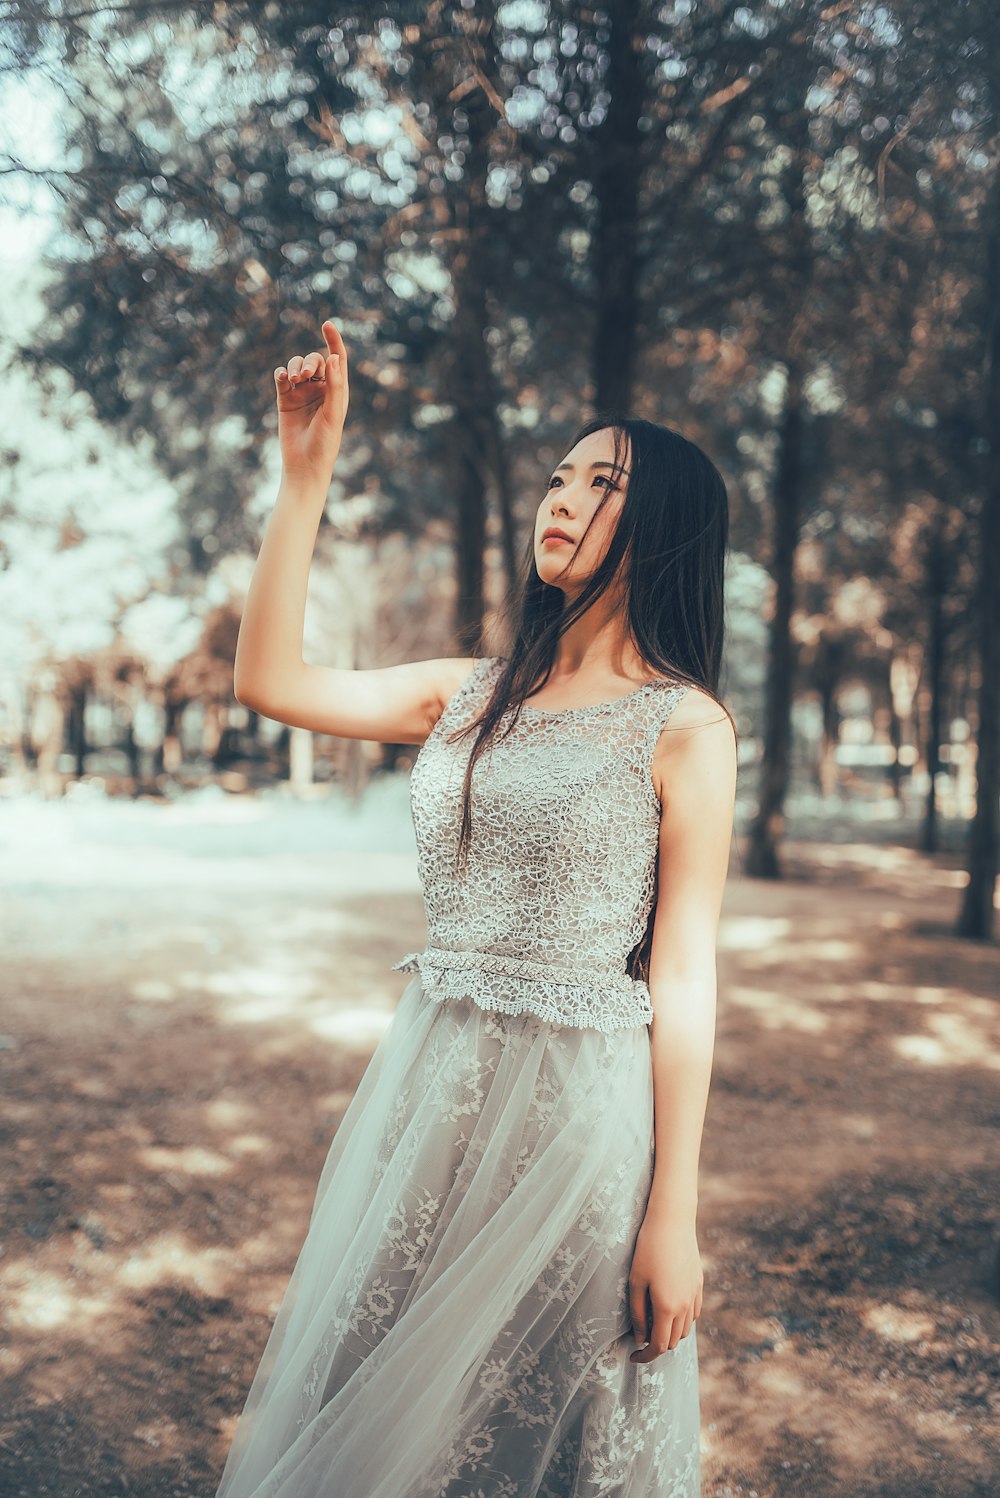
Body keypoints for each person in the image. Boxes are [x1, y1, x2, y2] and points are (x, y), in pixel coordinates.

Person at [216, 319, 737, 1498]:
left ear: (660, 525)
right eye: (559, 475)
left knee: (544, 1416)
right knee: (385, 1396)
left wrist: (677, 1211)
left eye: (602, 483)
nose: (563, 496)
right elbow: (270, 681)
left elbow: (687, 975)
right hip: (430, 1093)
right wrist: (304, 479)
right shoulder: (466, 693)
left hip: (578, 1118)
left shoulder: (687, 726)